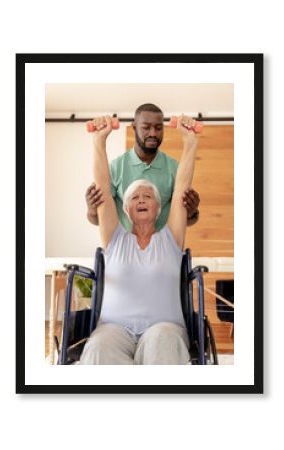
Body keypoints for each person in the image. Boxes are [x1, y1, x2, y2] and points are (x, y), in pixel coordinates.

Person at [79, 113, 198, 365]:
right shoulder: (115, 239)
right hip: (114, 329)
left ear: (159, 207)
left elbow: (181, 189)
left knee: (162, 340)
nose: (142, 199)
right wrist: (98, 141)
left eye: (148, 196)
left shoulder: (170, 238)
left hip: (164, 327)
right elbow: (102, 188)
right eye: (134, 197)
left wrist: (190, 142)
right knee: (98, 347)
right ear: (125, 209)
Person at [85, 103, 200, 232]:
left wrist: (192, 212)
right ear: (134, 127)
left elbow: (187, 220)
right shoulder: (116, 168)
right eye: (146, 127)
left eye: (158, 128)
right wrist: (91, 210)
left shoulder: (175, 168)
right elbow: (99, 220)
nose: (153, 133)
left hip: (162, 248)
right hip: (126, 247)